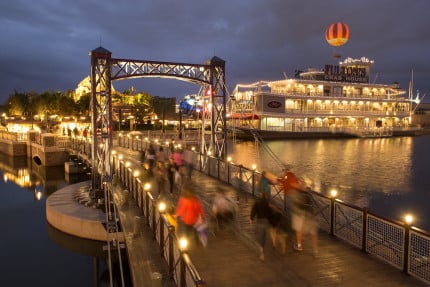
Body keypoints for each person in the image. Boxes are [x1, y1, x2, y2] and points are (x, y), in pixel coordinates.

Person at [250, 192, 272, 261]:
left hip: (259, 220)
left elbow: (253, 210)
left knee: (260, 234)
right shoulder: (267, 203)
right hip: (265, 221)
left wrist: (251, 218)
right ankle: (262, 247)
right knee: (264, 236)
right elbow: (269, 213)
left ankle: (261, 248)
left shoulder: (257, 202)